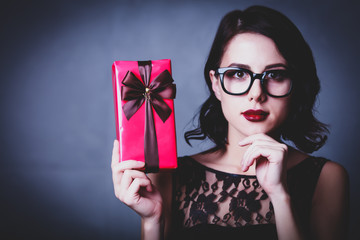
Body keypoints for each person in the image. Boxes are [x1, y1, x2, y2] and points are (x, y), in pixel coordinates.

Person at [111, 5, 349, 240]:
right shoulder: (169, 176)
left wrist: (280, 195)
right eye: (238, 73)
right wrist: (152, 221)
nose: (256, 93)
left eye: (275, 75)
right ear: (216, 84)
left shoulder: (327, 178)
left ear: (295, 85)